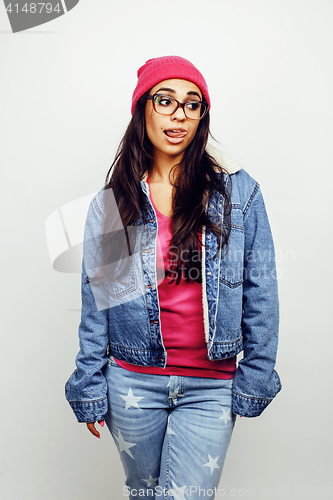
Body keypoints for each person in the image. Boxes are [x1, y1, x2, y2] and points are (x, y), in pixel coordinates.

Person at [65, 56, 281, 499]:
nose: (179, 115)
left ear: (202, 115)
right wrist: (88, 382)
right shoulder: (117, 202)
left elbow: (261, 289)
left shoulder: (237, 192)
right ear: (143, 107)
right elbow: (99, 302)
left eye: (192, 104)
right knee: (144, 494)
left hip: (211, 384)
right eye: (165, 101)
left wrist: (256, 374)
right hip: (132, 381)